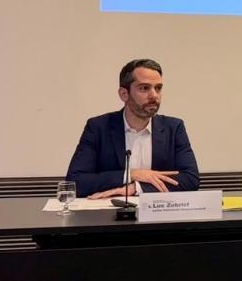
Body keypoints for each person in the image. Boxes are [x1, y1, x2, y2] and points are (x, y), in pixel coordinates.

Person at [66, 58, 200, 198]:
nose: (154, 95)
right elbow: (75, 182)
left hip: (159, 216)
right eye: (144, 88)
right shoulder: (98, 127)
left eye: (158, 88)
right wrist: (131, 174)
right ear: (124, 94)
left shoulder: (174, 128)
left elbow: (190, 179)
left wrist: (136, 188)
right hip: (109, 215)